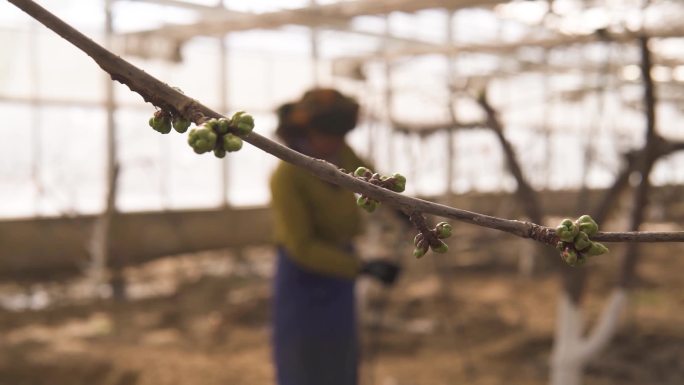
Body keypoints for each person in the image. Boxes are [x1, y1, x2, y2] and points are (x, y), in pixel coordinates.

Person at [270, 88, 400, 385]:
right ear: (308, 130)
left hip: (340, 277)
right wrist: (364, 267)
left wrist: (400, 207)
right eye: (330, 135)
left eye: (342, 136)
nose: (337, 143)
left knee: (340, 356)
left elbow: (370, 179)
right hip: (302, 278)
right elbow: (301, 247)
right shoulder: (287, 176)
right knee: (304, 360)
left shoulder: (341, 153)